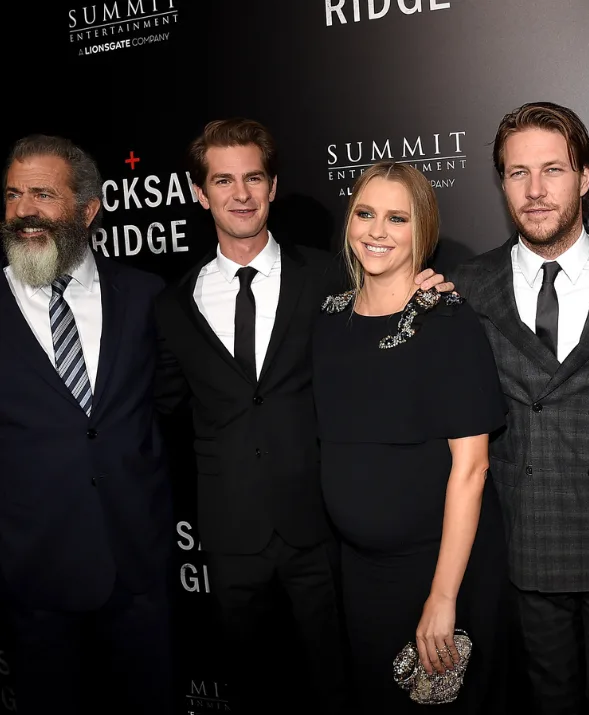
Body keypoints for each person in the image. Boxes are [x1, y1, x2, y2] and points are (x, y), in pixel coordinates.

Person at [154, 118, 452, 714]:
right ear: (199, 193)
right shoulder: (173, 305)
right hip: (231, 533)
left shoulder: (329, 276)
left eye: (253, 178)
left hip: (320, 523)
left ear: (272, 186)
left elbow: (387, 333)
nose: (240, 194)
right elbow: (165, 408)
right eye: (223, 180)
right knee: (252, 688)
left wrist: (424, 292)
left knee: (336, 681)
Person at [312, 161, 509, 714]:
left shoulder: (448, 323)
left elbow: (471, 469)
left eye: (397, 218)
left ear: (423, 229)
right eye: (365, 213)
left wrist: (443, 597)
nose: (377, 231)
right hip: (361, 574)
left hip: (440, 569)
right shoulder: (328, 320)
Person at [0, 135, 173, 715]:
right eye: (13, 194)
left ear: (88, 209)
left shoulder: (146, 296)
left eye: (43, 195)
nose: (24, 210)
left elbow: (173, 409)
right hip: (34, 581)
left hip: (138, 571)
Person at [450, 101, 589, 715]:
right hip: (525, 544)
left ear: (584, 178)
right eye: (518, 173)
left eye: (553, 170)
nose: (535, 191)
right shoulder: (466, 287)